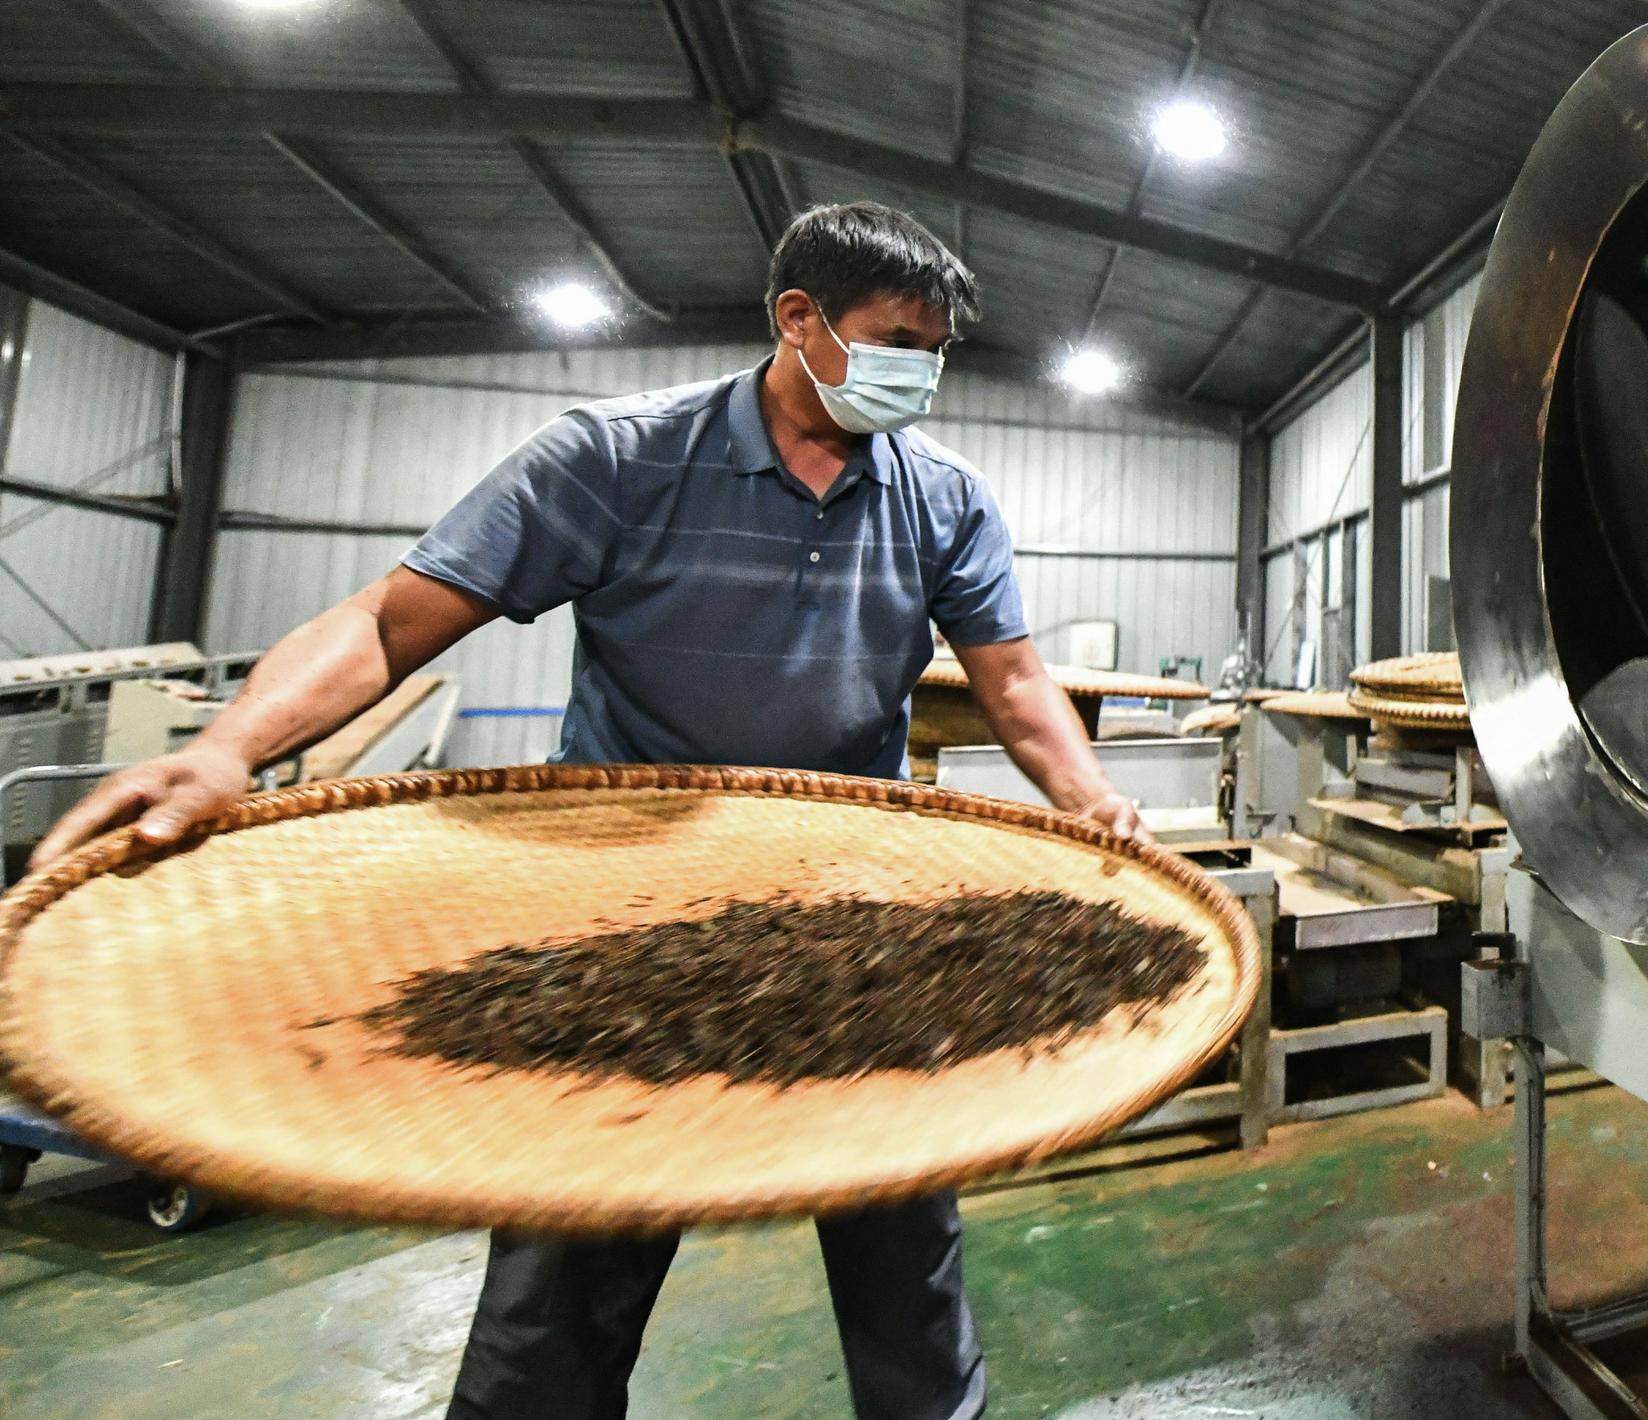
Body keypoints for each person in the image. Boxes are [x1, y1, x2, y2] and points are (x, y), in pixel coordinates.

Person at [33, 201, 1147, 1420]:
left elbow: (1014, 679)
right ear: (797, 319)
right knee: (562, 1288)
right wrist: (227, 750)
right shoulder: (616, 458)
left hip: (849, 909)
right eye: (896, 340)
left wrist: (1092, 803)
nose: (917, 375)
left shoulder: (940, 498)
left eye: (935, 354)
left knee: (905, 1259)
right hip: (619, 911)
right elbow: (384, 622)